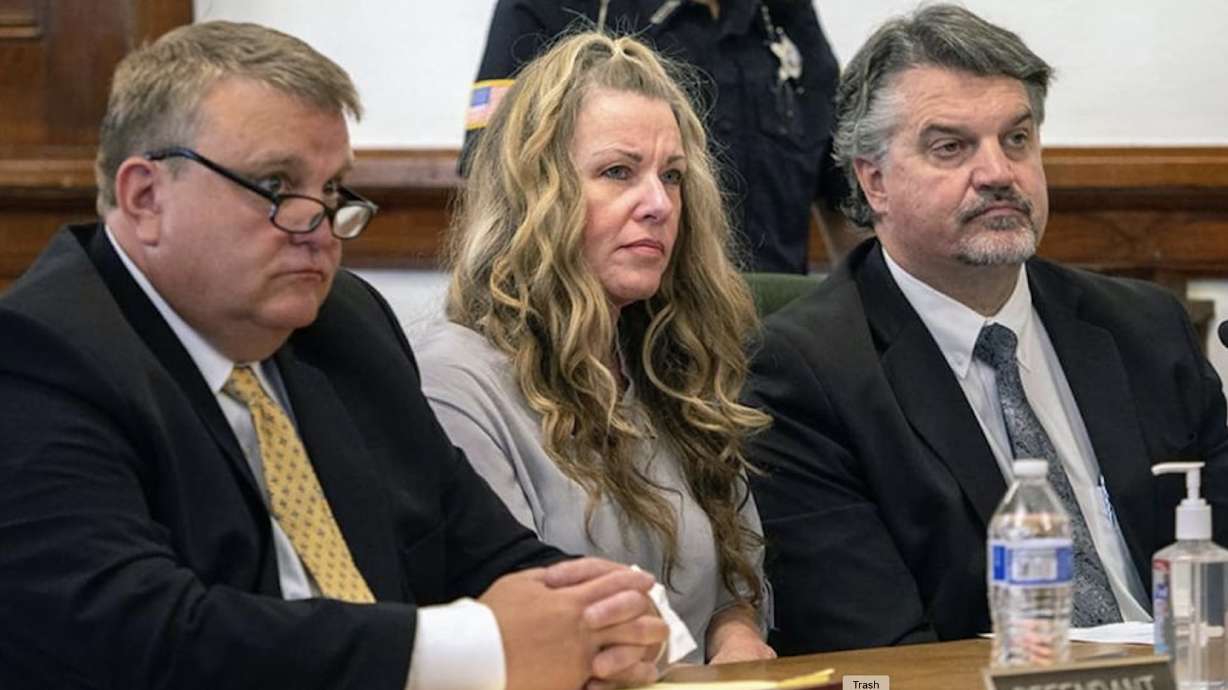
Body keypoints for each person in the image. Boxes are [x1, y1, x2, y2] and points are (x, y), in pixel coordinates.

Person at [0, 21, 669, 690]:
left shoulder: (344, 326)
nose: (319, 227)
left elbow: (486, 551)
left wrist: (612, 620)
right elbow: (144, 637)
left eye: (332, 191)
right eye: (277, 186)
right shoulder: (39, 356)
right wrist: (471, 649)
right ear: (145, 197)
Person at [744, 4, 1228, 655]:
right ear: (875, 180)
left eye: (1018, 139)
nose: (999, 172)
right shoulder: (803, 374)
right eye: (952, 147)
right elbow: (875, 646)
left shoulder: (1145, 327)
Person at [416, 31, 775, 665]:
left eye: (672, 176)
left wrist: (736, 634)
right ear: (535, 196)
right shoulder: (454, 379)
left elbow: (737, 580)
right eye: (618, 172)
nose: (659, 204)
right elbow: (523, 619)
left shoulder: (672, 359)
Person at [463, 0, 862, 273]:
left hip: (776, 348)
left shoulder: (783, 17)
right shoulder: (558, 7)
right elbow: (496, 193)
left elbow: (846, 203)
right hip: (615, 341)